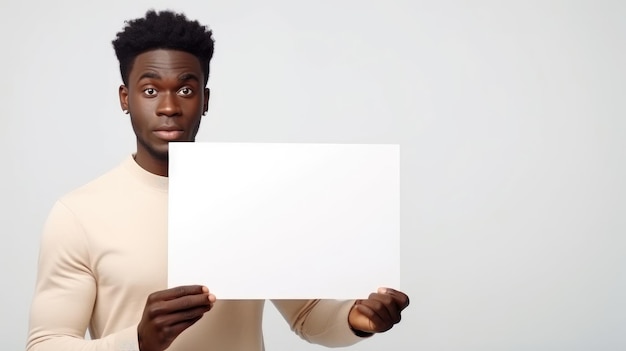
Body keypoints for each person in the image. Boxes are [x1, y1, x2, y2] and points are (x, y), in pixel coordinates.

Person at [26, 10, 409, 351]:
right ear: (125, 98)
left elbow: (307, 314)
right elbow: (46, 344)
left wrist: (356, 321)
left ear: (205, 101)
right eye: (150, 89)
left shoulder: (253, 198)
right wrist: (137, 342)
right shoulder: (79, 214)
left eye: (186, 89)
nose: (169, 106)